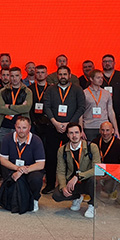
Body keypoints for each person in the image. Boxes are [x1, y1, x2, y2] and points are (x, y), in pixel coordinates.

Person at [43, 66, 86, 195]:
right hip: (53, 127)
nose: (62, 77)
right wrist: (55, 122)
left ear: (69, 75)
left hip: (71, 129)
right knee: (51, 157)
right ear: (57, 76)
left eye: (64, 74)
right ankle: (50, 184)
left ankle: (71, 185)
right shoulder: (50, 89)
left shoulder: (77, 90)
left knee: (73, 157)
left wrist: (70, 123)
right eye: (60, 74)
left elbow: (82, 107)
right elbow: (47, 106)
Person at [0, 116, 46, 212]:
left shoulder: (36, 140)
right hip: (14, 167)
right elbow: (3, 160)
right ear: (15, 127)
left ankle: (35, 199)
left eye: (24, 128)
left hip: (30, 170)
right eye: (18, 127)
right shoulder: (8, 138)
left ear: (29, 128)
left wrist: (23, 170)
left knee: (36, 178)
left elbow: (41, 164)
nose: (21, 131)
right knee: (5, 169)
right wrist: (17, 168)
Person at [55, 123, 101, 219]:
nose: (74, 136)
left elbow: (97, 169)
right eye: (71, 133)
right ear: (67, 135)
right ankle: (77, 197)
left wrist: (78, 176)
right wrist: (63, 186)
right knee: (57, 195)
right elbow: (60, 171)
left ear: (81, 133)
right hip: (72, 182)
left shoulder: (92, 147)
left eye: (76, 132)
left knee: (94, 181)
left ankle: (92, 205)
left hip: (87, 179)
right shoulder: (62, 150)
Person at [0, 69, 31, 149]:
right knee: (4, 151)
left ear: (21, 76)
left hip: (22, 127)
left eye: (17, 75)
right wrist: (20, 108)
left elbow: (26, 108)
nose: (14, 78)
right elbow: (0, 109)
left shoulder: (27, 91)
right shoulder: (2, 91)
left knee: (21, 151)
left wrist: (10, 106)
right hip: (5, 126)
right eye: (11, 76)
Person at [81, 70, 119, 142]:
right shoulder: (84, 93)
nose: (101, 80)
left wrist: (116, 129)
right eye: (98, 78)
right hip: (89, 127)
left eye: (102, 78)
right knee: (91, 150)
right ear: (91, 79)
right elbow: (80, 113)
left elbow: (110, 111)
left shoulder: (106, 93)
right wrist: (81, 129)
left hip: (104, 126)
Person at [100, 54, 120, 134]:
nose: (107, 63)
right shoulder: (97, 76)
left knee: (119, 137)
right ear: (102, 63)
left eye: (109, 61)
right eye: (105, 61)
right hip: (101, 116)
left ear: (114, 63)